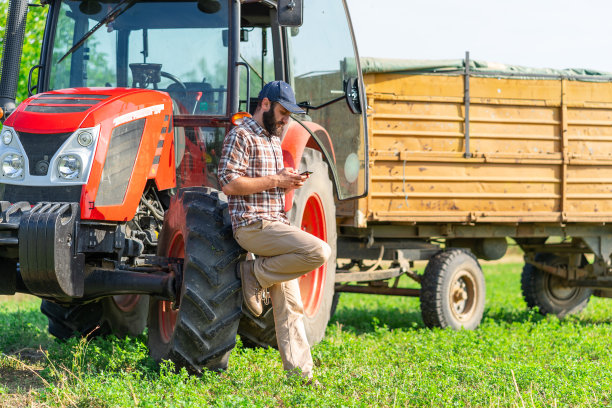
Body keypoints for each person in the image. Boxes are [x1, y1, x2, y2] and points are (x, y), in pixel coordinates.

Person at [217, 81, 331, 382]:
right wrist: (275, 181)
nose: (285, 120)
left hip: (274, 224)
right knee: (320, 251)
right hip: (253, 226)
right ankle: (254, 273)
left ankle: (301, 376)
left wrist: (288, 181)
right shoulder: (240, 135)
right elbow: (229, 183)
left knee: (291, 305)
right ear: (265, 104)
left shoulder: (272, 140)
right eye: (283, 112)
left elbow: (273, 181)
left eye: (289, 115)